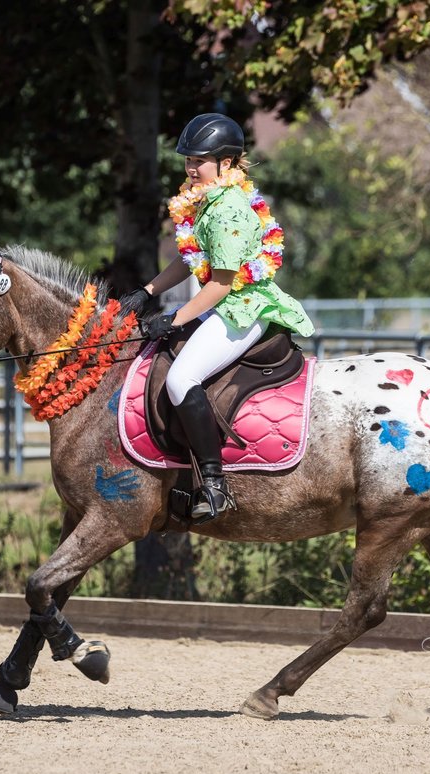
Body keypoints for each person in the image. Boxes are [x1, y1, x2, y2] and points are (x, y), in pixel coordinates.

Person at [122, 112, 315, 522]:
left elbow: (221, 284)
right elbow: (191, 257)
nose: (191, 168)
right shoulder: (207, 199)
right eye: (188, 160)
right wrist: (148, 291)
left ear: (226, 163)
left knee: (180, 378)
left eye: (200, 161)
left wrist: (173, 319)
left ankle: (214, 484)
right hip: (224, 303)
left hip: (244, 308)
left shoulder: (229, 210)